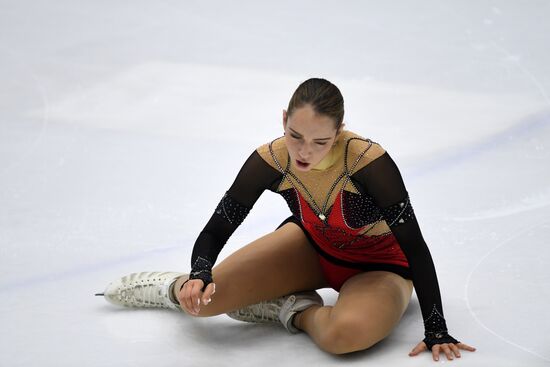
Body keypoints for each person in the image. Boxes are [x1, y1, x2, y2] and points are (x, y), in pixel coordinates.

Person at [97, 78, 476, 361]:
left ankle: (292, 309)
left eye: (319, 142)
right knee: (208, 303)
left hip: (380, 269)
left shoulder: (367, 161)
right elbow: (217, 228)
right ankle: (169, 286)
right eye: (295, 136)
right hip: (309, 248)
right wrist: (199, 273)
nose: (304, 151)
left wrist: (436, 328)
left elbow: (416, 248)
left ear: (338, 133)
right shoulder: (271, 159)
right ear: (283, 120)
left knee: (343, 337)